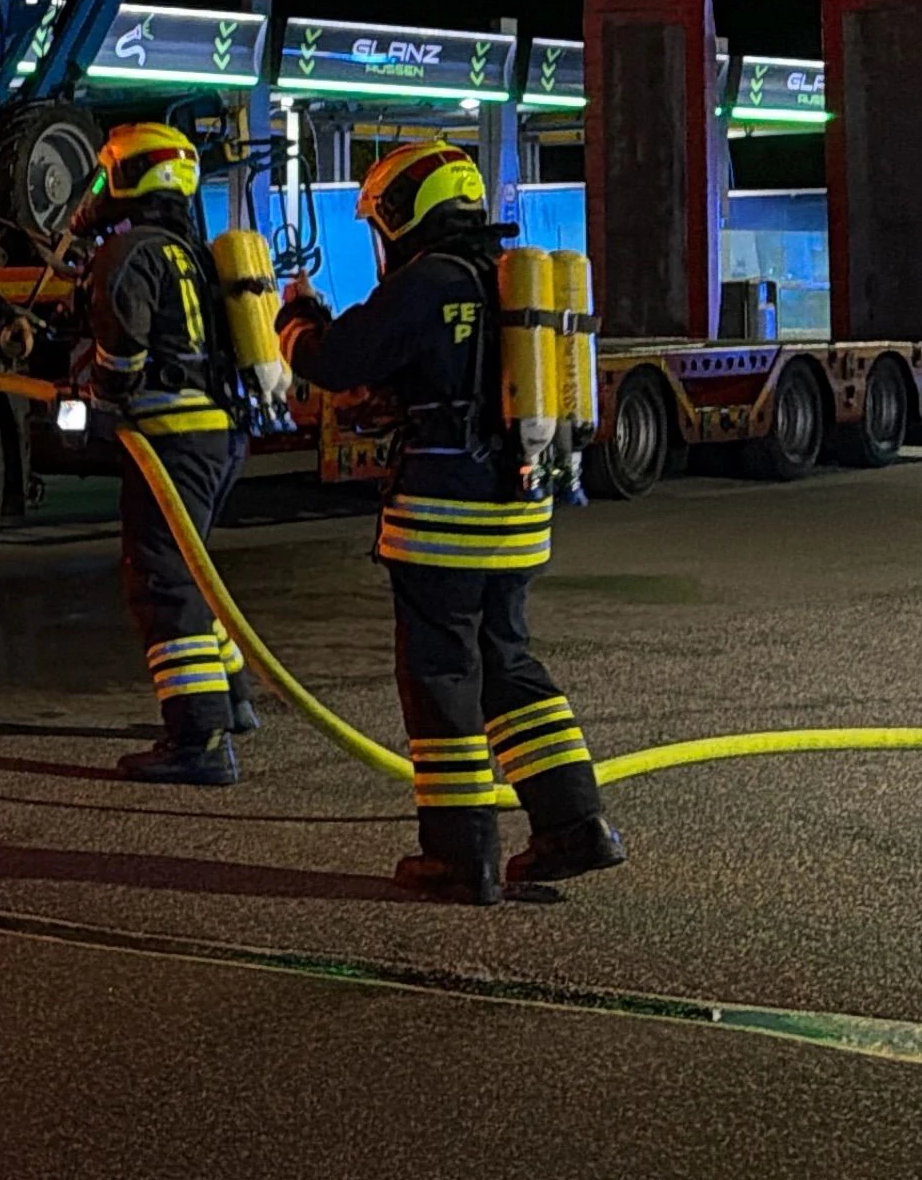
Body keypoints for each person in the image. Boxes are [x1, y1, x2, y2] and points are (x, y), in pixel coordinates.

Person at [277, 140, 627, 904]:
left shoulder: (427, 281)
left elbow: (336, 362)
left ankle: (459, 855)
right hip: (519, 514)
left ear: (405, 214)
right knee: (508, 665)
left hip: (441, 518)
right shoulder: (504, 281)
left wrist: (296, 322)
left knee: (442, 679)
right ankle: (576, 825)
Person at [75, 123, 256, 785]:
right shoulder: (195, 252)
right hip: (219, 434)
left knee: (162, 580)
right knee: (189, 571)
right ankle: (231, 700)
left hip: (171, 436)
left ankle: (198, 740)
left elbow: (124, 350)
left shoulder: (128, 252)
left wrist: (103, 394)